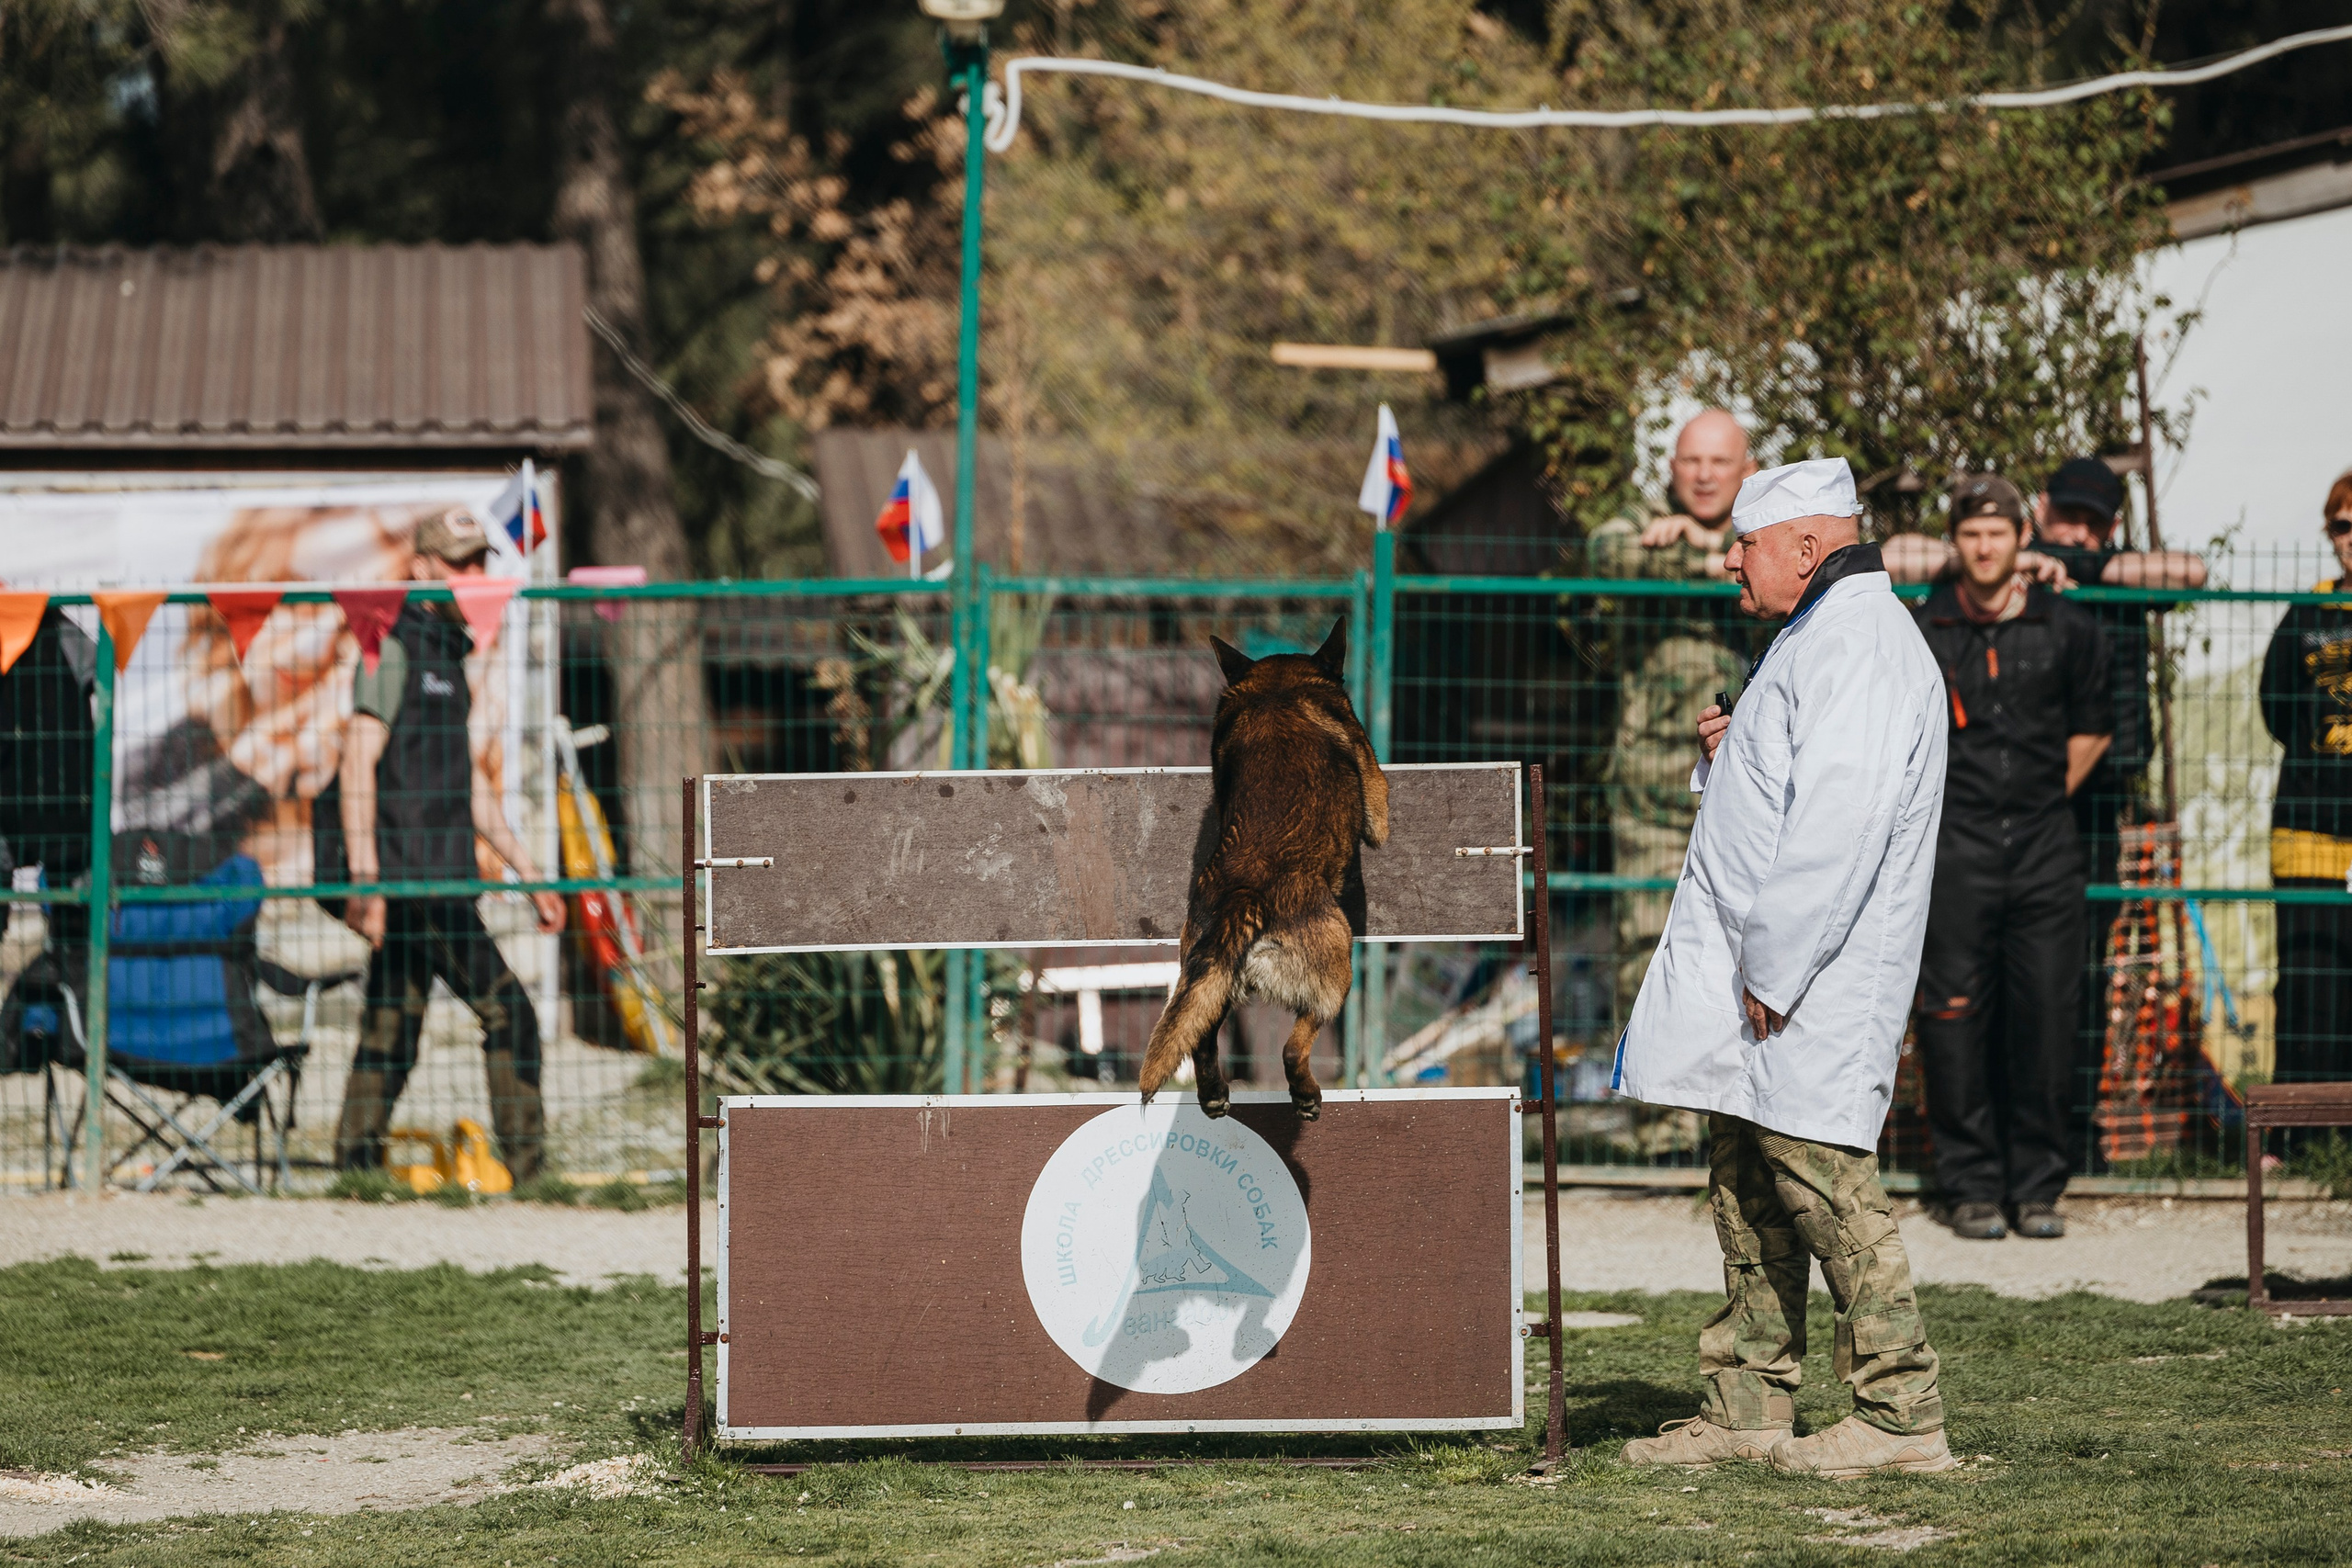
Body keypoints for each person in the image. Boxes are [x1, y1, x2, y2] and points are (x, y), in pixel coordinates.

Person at [1614, 457, 1955, 1477]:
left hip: (1805, 980)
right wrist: (1726, 754)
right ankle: (1744, 1405)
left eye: (1747, 545)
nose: (1730, 559)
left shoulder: (1856, 646)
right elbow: (1777, 795)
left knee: (1827, 1189)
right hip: (1768, 981)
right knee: (1748, 1184)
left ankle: (1900, 1415)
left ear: (1805, 549)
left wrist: (1774, 966)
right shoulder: (1812, 639)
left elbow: (1837, 827)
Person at [1885, 456, 2204, 1168]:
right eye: (2067, 517)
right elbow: (1893, 551)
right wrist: (2007, 558)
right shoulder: (1979, 579)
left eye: (2093, 523)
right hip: (1976, 815)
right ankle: (1982, 1147)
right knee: (1969, 983)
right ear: (2042, 510)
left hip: (2082, 802)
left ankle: (2073, 1134)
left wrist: (2075, 565)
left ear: (2111, 526)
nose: (2079, 531)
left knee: (2068, 979)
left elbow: (2191, 571)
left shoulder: (2091, 576)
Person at [330, 509, 564, 1183]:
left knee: (392, 1026)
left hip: (439, 873)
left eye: (480, 561)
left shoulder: (448, 652)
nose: (474, 575)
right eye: (460, 562)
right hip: (412, 877)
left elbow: (470, 785)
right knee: (510, 1010)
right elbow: (356, 762)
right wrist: (365, 879)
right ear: (423, 567)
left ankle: (353, 1166)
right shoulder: (391, 644)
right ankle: (529, 1169)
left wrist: (530, 873)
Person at [1911, 476, 2113, 1242]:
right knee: (1953, 1017)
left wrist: (2034, 799)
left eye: (1999, 532)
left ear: (2021, 539)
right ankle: (1967, 1186)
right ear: (1955, 542)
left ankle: (2037, 1188)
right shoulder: (1924, 625)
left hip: (2044, 844)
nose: (1986, 546)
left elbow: (2093, 727)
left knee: (2046, 1016)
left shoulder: (2068, 628)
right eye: (1972, 533)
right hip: (1953, 844)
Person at [1588, 410, 1758, 1100]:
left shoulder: (1764, 534)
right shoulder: (1636, 525)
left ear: (1747, 471)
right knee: (1646, 946)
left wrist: (1711, 542)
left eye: (1721, 462)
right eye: (1692, 461)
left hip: (1749, 781)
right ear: (1671, 469)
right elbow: (1608, 554)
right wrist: (1711, 550)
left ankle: (1730, 1110)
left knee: (1748, 950)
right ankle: (1659, 1118)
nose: (1706, 473)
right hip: (1651, 789)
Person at [2257, 469, 2352, 1091]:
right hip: (2309, 827)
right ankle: (2300, 1133)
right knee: (2310, 981)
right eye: (2344, 525)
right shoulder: (2306, 613)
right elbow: (2276, 706)